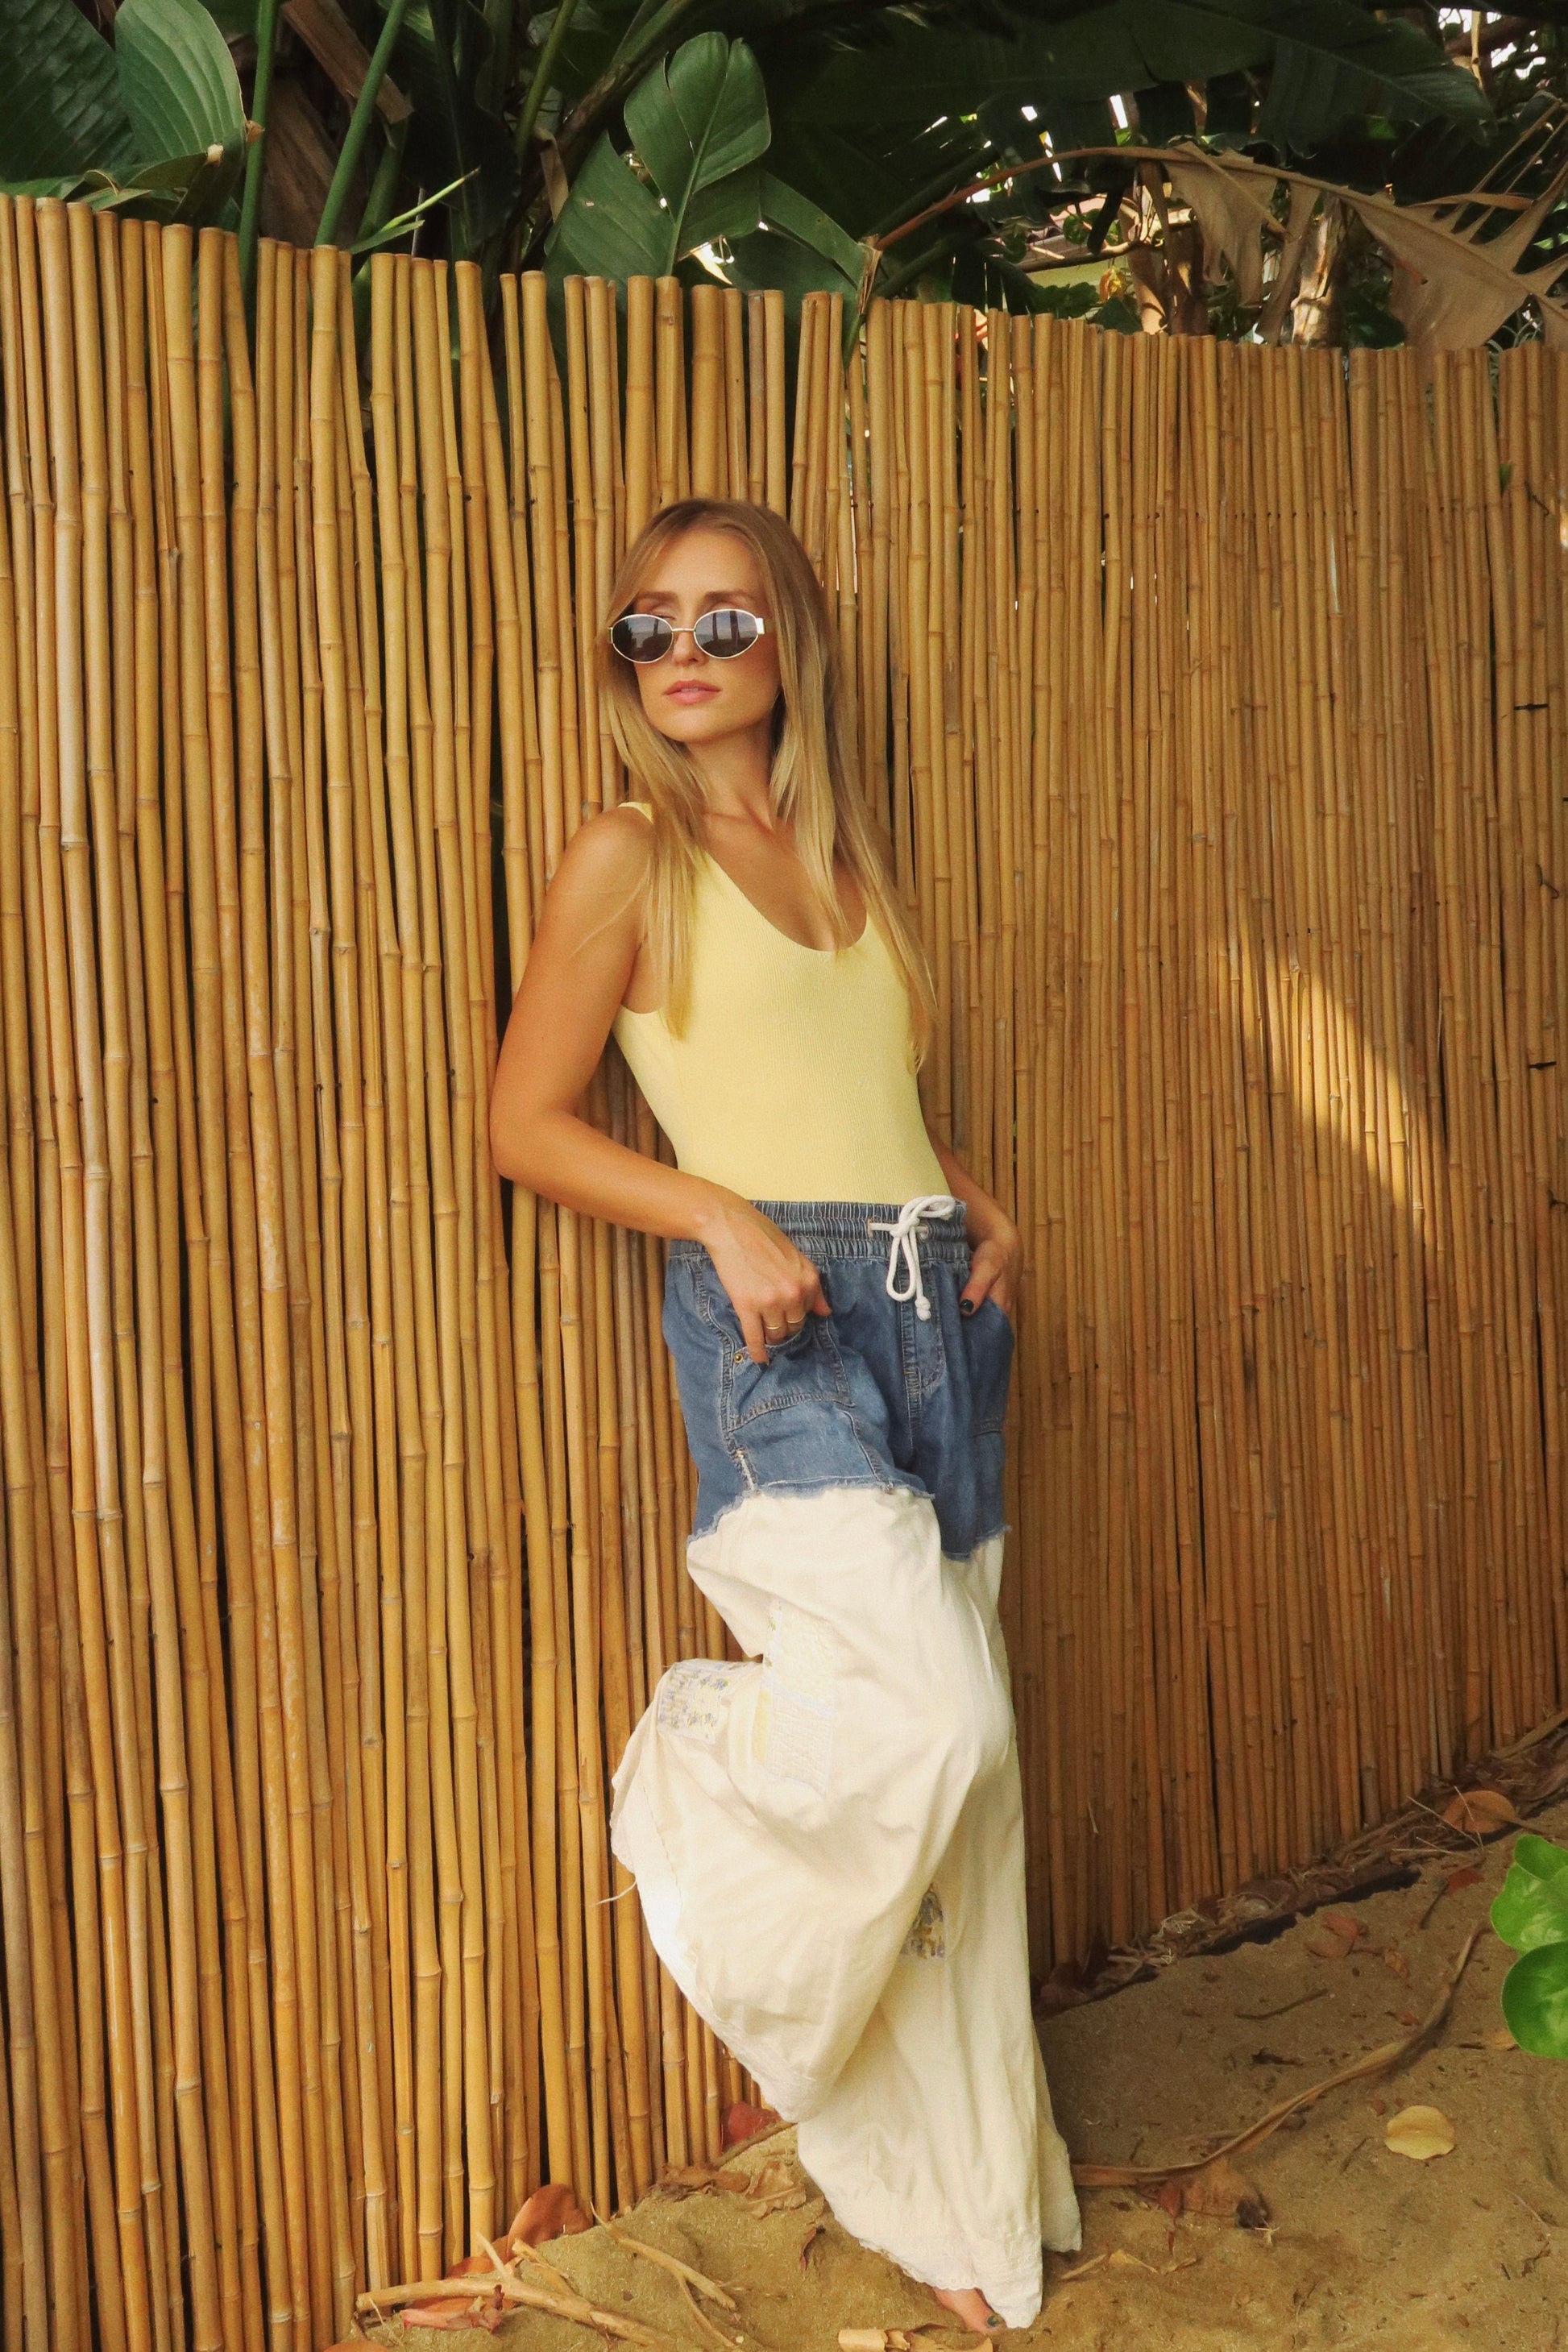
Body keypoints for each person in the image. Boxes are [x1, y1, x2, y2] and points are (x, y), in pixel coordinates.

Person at [489, 496, 1081, 2333]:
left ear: (787, 642)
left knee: (971, 1797)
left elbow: (847, 1092)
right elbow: (524, 1124)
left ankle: (971, 2213)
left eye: (721, 619)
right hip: (781, 1329)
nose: (680, 652)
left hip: (934, 1310)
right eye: (647, 625)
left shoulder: (841, 861)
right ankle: (690, 1761)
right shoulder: (627, 852)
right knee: (933, 1716)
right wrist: (715, 1213)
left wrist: (970, 1201)